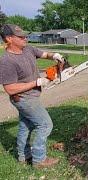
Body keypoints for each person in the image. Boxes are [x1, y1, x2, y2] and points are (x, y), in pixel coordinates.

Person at [0, 24, 64, 168]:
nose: (25, 38)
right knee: (45, 124)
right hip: (23, 98)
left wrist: (55, 55)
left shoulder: (28, 49)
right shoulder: (6, 61)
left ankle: (24, 156)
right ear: (9, 39)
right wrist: (37, 81)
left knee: (25, 125)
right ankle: (39, 159)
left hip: (32, 96)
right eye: (21, 36)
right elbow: (10, 89)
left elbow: (44, 54)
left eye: (25, 35)